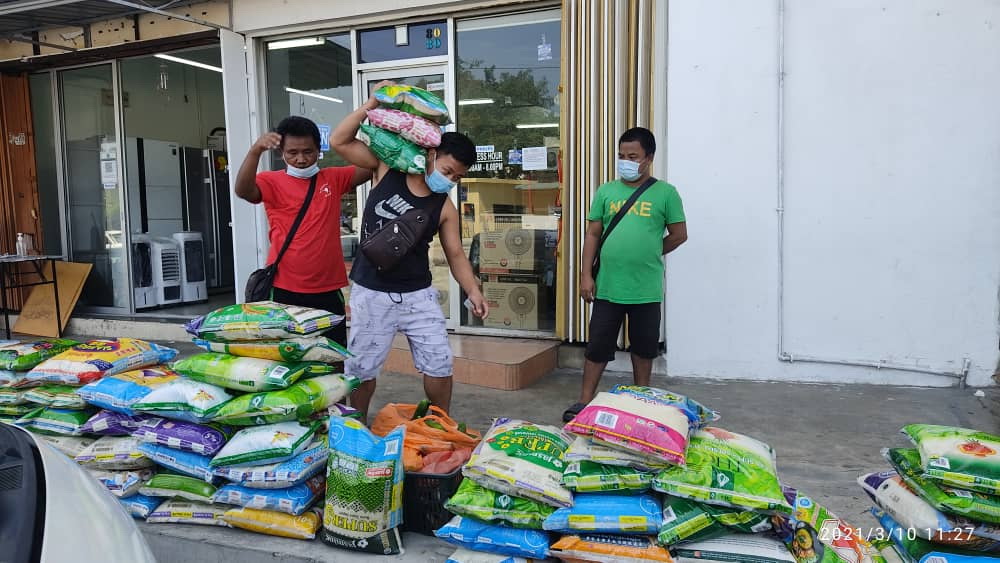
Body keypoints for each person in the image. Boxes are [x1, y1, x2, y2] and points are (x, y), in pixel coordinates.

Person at [330, 81, 489, 422]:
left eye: (457, 177)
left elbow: (456, 255)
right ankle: (356, 426)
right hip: (371, 291)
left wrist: (473, 290)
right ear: (431, 155)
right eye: (447, 171)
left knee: (439, 363)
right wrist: (370, 105)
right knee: (362, 368)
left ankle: (440, 422)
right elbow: (339, 141)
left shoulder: (444, 207)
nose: (450, 180)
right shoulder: (386, 169)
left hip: (418, 295)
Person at [564, 127, 688, 422]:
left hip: (645, 289)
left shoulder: (666, 194)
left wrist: (650, 250)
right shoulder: (606, 191)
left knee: (644, 349)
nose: (626, 161)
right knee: (597, 347)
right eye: (621, 156)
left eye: (633, 156)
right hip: (608, 286)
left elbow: (679, 235)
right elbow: (593, 234)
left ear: (649, 158)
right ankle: (584, 401)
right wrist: (585, 275)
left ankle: (640, 402)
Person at [234, 115, 371, 346]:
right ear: (281, 153)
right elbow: (243, 190)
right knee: (288, 354)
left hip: (327, 289)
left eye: (308, 152)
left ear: (319, 150)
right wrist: (255, 151)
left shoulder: (333, 178)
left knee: (333, 353)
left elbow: (372, 165)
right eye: (292, 153)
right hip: (284, 288)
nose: (300, 159)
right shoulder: (270, 181)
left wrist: (349, 136)